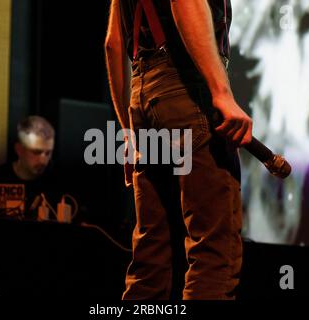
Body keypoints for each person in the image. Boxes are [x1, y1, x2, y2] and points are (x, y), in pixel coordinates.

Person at [105, 0, 253, 299]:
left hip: (143, 97)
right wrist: (221, 92)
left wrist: (128, 134)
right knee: (214, 255)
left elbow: (113, 44)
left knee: (152, 260)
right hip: (186, 93)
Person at [0, 115, 65, 218]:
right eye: (36, 152)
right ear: (19, 149)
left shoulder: (59, 184)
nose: (43, 160)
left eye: (48, 153)